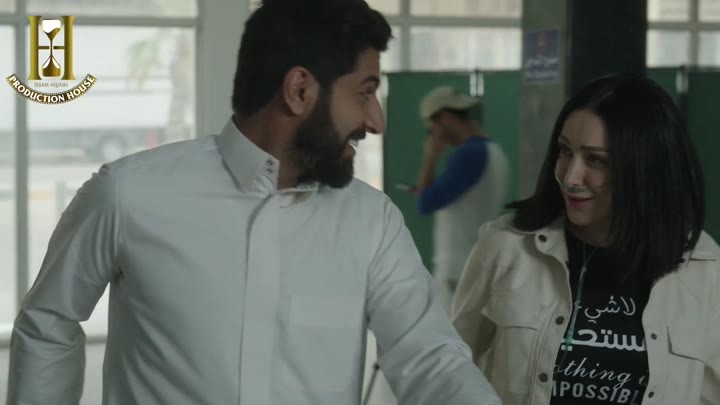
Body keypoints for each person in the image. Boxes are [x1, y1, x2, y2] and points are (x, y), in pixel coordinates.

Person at [7, 1, 501, 405]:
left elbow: (430, 358)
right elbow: (50, 323)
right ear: (300, 90)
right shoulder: (128, 194)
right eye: (365, 92)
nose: (376, 120)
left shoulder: (373, 222)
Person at [451, 74, 720, 405]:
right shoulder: (508, 246)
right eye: (565, 151)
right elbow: (451, 367)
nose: (570, 176)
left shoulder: (704, 267)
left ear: (645, 168)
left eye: (596, 160)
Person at [414, 86, 509, 312]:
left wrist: (431, 156)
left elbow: (425, 202)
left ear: (445, 118)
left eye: (432, 128)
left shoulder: (469, 154)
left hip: (458, 272)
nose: (433, 136)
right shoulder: (494, 151)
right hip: (476, 265)